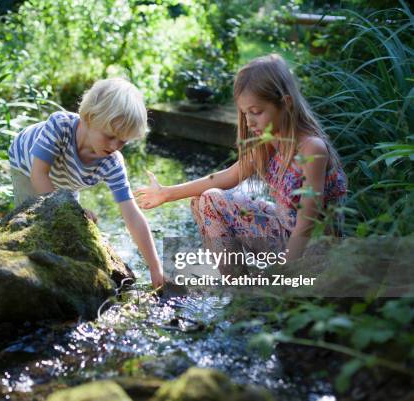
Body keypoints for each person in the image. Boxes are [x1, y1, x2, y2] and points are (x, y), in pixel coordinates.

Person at [134, 54, 347, 273]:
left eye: (256, 112)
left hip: (313, 248)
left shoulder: (312, 148)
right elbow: (226, 176)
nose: (248, 121)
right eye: (244, 113)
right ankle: (237, 288)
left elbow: (307, 222)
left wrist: (285, 277)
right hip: (284, 229)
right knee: (203, 199)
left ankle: (246, 294)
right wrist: (167, 193)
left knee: (209, 199)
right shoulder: (268, 141)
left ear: (286, 104)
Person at [8, 78, 163, 288]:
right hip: (28, 166)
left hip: (66, 180)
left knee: (68, 223)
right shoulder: (60, 126)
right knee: (34, 218)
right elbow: (39, 175)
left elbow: (132, 214)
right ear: (88, 118)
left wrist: (155, 267)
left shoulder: (112, 162)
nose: (116, 145)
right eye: (110, 136)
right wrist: (74, 210)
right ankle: (25, 274)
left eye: (123, 141)